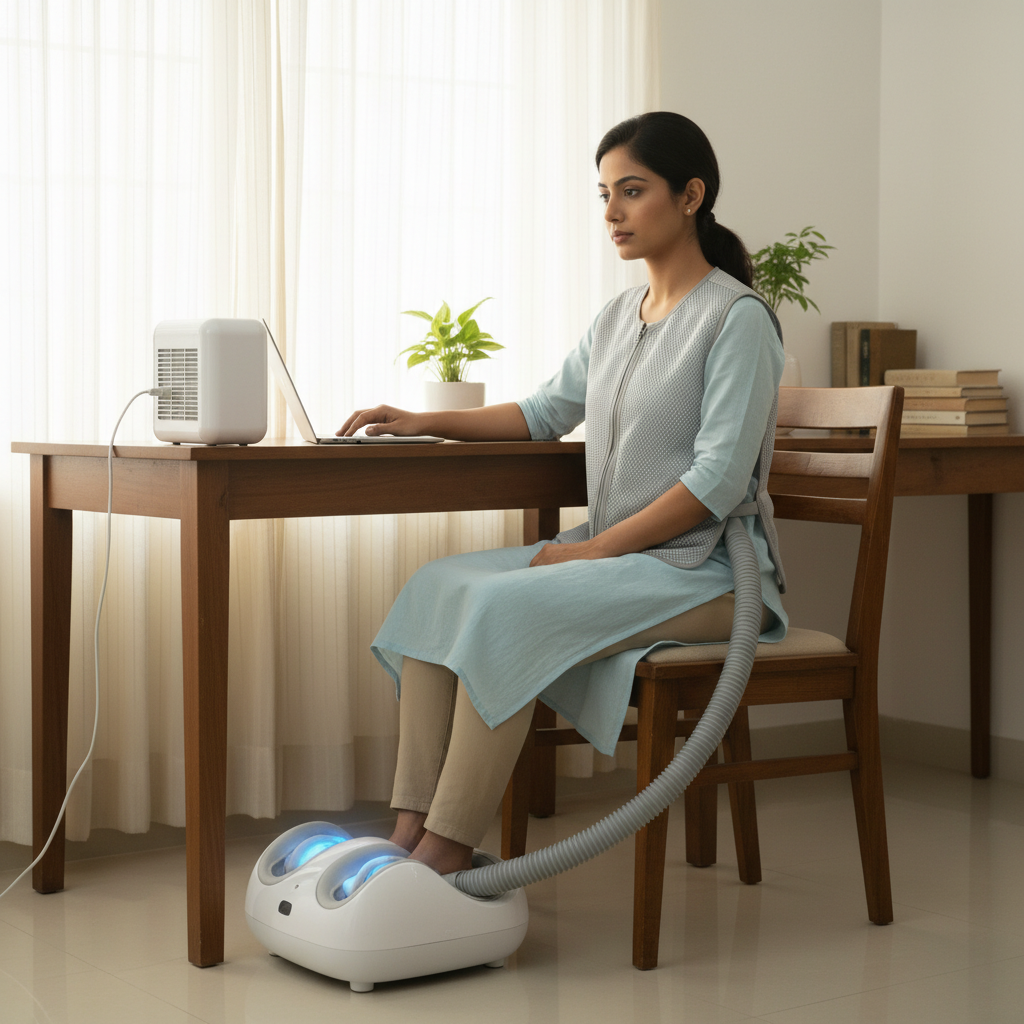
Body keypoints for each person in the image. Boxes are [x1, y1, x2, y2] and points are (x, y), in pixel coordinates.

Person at [339, 111, 788, 877]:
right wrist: (422, 420)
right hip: (622, 562)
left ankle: (447, 852)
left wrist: (591, 552)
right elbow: (544, 412)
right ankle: (407, 831)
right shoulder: (617, 318)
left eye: (632, 191)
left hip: (705, 572)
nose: (612, 212)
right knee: (436, 588)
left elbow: (716, 482)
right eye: (604, 194)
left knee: (505, 610)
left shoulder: (737, 319)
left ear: (690, 196)